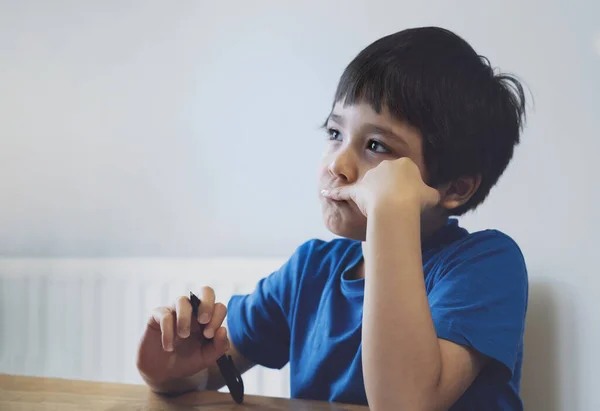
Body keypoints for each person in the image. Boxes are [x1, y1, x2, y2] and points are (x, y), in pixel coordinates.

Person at [136, 26, 528, 411]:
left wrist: (390, 211)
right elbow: (205, 374)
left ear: (455, 189)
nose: (337, 164)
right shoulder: (310, 271)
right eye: (335, 132)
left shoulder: (486, 265)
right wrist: (170, 371)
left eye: (376, 145)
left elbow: (404, 404)